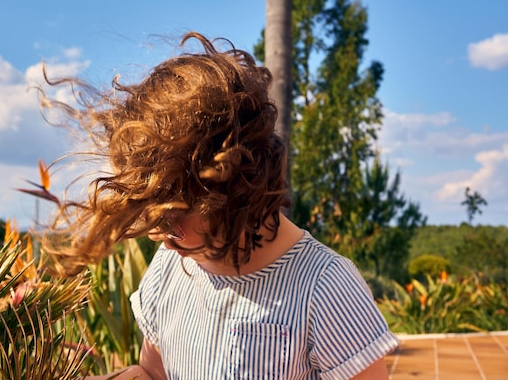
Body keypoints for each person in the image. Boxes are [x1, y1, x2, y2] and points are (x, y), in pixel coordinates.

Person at [44, 32, 399, 379]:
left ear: (236, 188)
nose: (159, 235)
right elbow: (152, 371)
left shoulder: (325, 287)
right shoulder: (172, 267)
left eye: (172, 215)